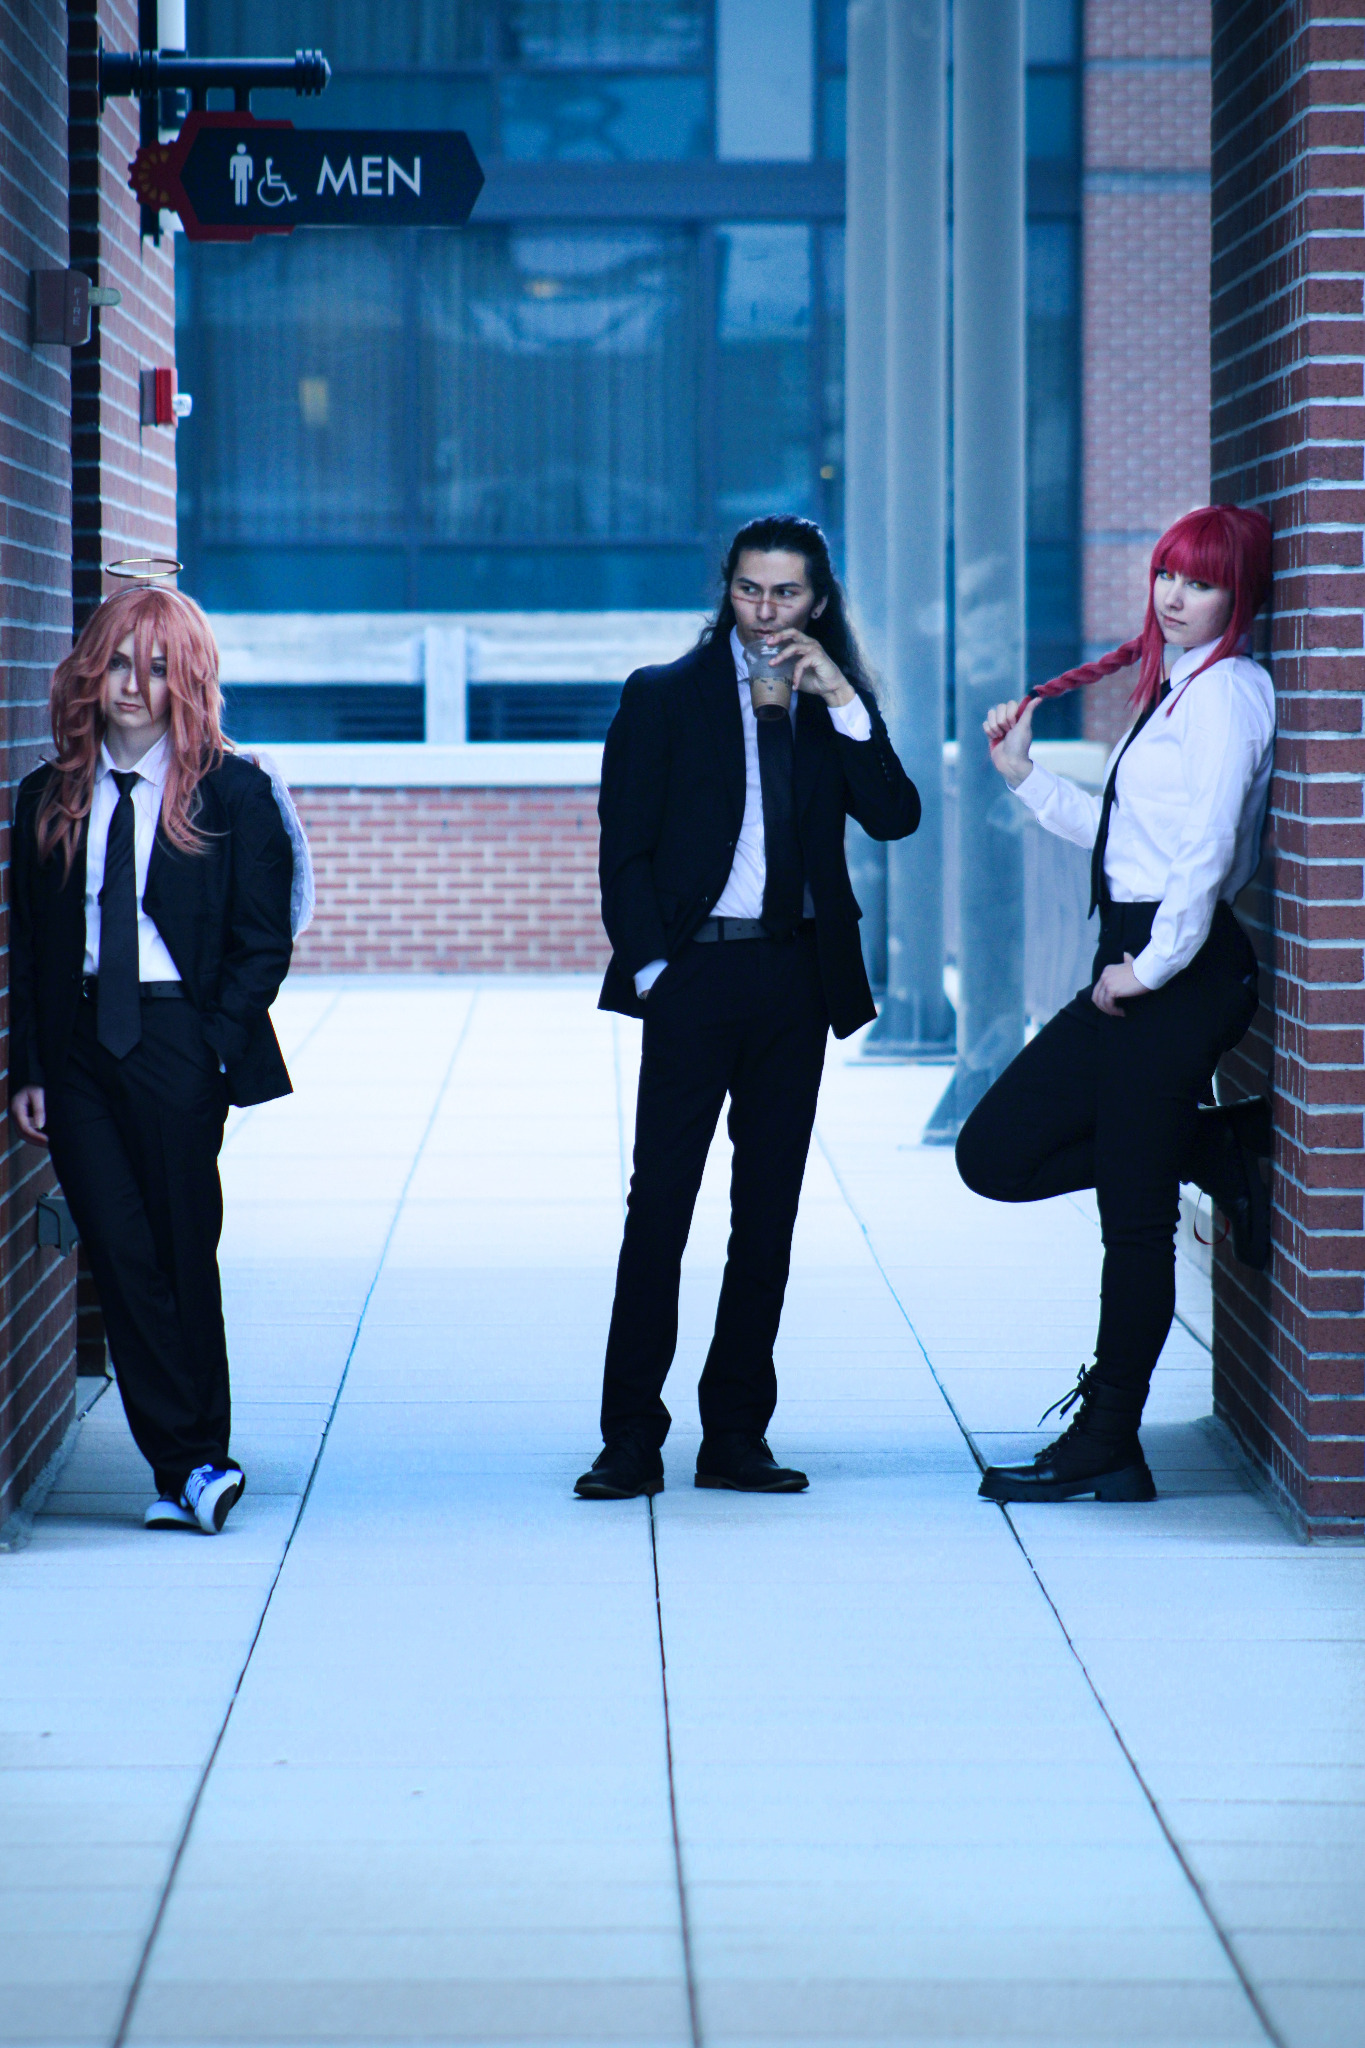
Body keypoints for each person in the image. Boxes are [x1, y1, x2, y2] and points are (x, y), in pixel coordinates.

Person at [577, 517, 921, 1500]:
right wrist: (654, 970)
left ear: (819, 602)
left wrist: (843, 699)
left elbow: (894, 815)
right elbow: (623, 848)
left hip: (793, 980)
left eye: (786, 594)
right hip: (694, 976)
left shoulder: (832, 704)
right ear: (726, 590)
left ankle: (735, 1434)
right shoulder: (663, 696)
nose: (766, 611)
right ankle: (629, 1437)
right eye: (749, 590)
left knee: (766, 1214)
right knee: (659, 1208)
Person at [954, 504, 1276, 1505]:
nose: (1175, 597)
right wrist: (1024, 778)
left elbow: (1207, 849)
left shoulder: (1227, 695)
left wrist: (1152, 966)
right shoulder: (1179, 687)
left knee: (1131, 1222)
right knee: (993, 1153)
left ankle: (1107, 1442)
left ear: (1237, 593)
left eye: (1201, 582)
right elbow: (1132, 838)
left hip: (1177, 974)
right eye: (1167, 576)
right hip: (1138, 962)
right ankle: (1208, 1146)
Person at [9, 586, 295, 1535]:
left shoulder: (234, 792)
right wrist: (31, 1069)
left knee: (179, 1248)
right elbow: (30, 947)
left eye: (159, 668)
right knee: (119, 1251)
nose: (135, 685)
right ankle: (190, 1466)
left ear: (188, 680)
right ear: (92, 670)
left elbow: (262, 943)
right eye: (120, 663)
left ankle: (200, 1456)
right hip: (80, 1047)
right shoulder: (49, 796)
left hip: (177, 1039)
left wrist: (213, 1045)